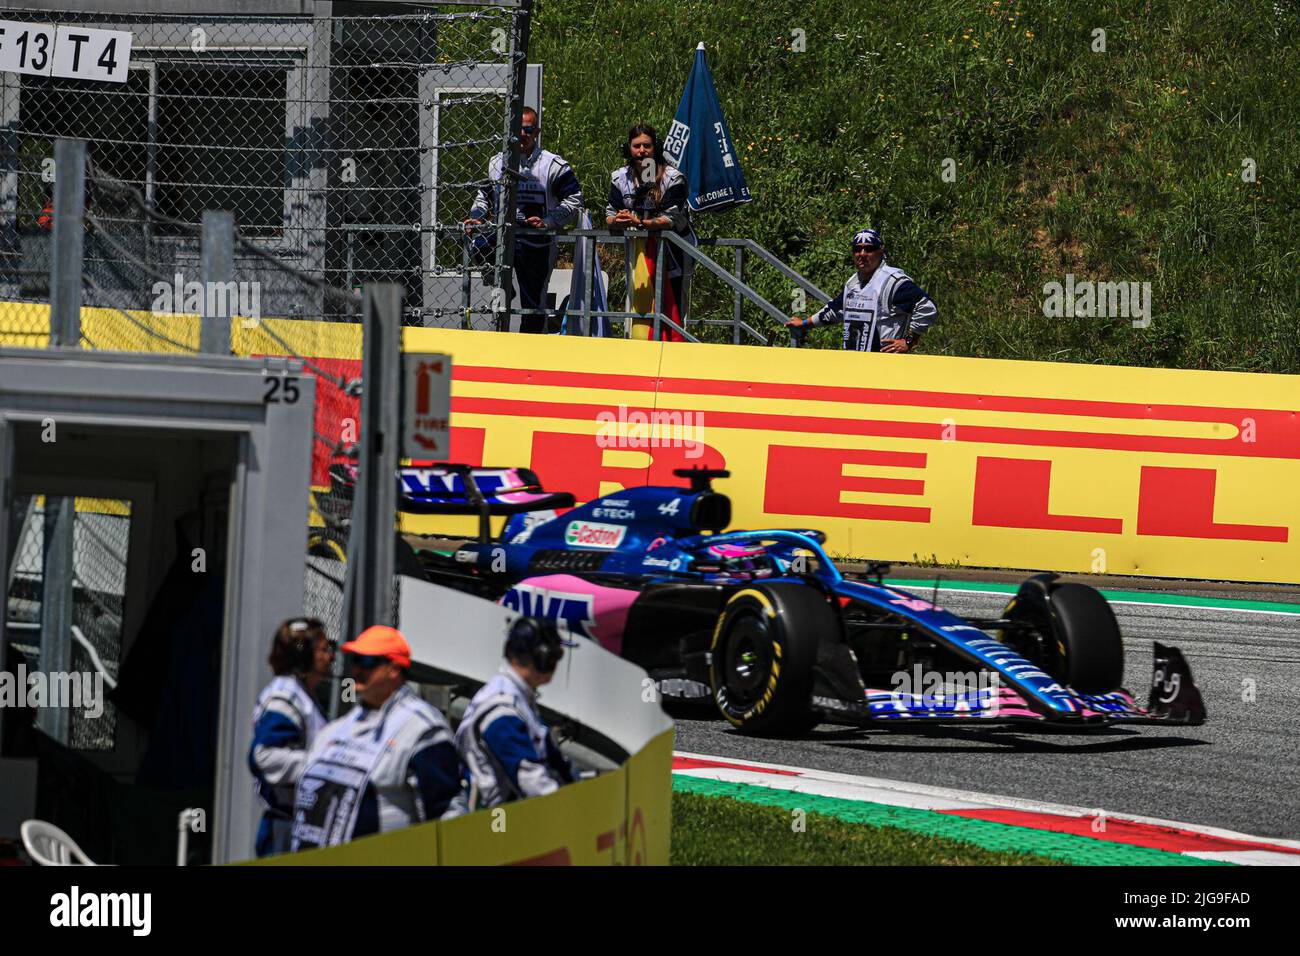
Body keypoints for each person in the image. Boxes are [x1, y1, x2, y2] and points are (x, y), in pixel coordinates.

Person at [289, 625, 461, 851]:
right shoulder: (336, 729)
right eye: (355, 661)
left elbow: (449, 812)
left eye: (368, 662)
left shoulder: (422, 728)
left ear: (393, 669)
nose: (358, 670)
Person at [464, 107, 585, 333]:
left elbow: (576, 199)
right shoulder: (497, 162)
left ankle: (529, 351)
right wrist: (477, 217)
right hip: (503, 237)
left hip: (537, 243)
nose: (522, 134)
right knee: (477, 246)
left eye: (528, 129)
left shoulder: (553, 165)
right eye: (517, 129)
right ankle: (502, 286)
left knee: (533, 307)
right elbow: (483, 196)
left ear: (536, 131)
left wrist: (548, 220)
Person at [448, 616, 577, 813]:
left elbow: (554, 760)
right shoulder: (502, 708)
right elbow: (531, 781)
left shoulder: (518, 697)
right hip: (496, 827)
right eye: (555, 655)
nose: (557, 662)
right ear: (542, 658)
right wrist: (572, 812)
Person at [247, 617, 334, 857]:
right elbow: (263, 756)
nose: (331, 656)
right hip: (285, 833)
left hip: (298, 827)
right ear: (303, 656)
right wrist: (324, 765)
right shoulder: (286, 696)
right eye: (324, 649)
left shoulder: (302, 695)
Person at [606, 124, 696, 340]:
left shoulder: (673, 177)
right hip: (639, 254)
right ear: (628, 148)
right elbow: (610, 213)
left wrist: (640, 222)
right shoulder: (620, 177)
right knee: (638, 311)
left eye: (647, 145)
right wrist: (617, 220)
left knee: (673, 313)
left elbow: (671, 218)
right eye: (636, 146)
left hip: (674, 254)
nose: (642, 151)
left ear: (656, 147)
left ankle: (675, 355)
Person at [787, 228, 937, 352]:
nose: (862, 254)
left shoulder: (892, 282)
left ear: (880, 252)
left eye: (869, 249)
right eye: (857, 249)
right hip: (855, 365)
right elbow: (835, 310)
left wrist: (909, 341)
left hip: (886, 366)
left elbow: (927, 307)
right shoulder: (853, 282)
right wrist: (804, 323)